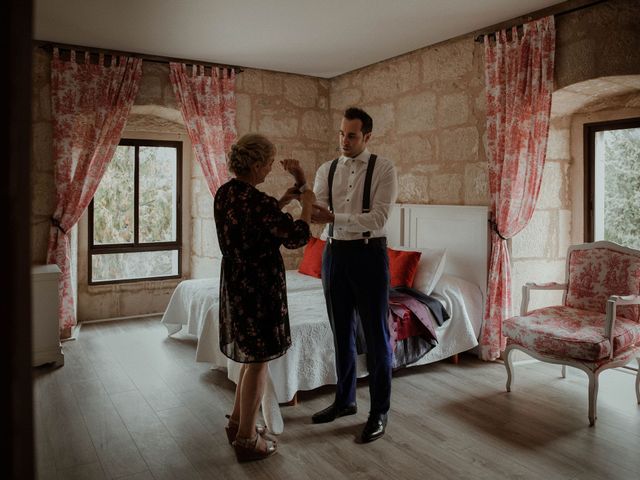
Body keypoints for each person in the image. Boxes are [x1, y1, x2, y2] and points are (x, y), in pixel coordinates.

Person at [297, 107, 398, 443]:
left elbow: (379, 218)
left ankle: (379, 411)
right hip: (334, 254)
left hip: (370, 255)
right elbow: (317, 213)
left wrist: (336, 217)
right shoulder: (326, 169)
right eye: (341, 133)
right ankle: (345, 400)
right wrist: (329, 216)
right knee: (340, 332)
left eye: (351, 135)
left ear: (367, 136)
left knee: (376, 335)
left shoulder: (383, 168)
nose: (344, 140)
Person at [214, 133, 315, 462]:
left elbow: (255, 221)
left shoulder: (227, 194)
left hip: (237, 284)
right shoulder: (256, 203)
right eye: (269, 164)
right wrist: (308, 200)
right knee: (258, 362)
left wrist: (284, 200)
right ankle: (247, 439)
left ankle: (235, 423)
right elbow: (296, 237)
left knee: (249, 357)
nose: (270, 169)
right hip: (260, 289)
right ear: (256, 165)